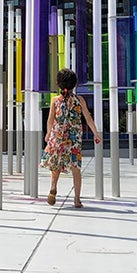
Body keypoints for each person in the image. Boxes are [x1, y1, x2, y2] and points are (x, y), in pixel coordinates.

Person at [40, 68, 101, 208]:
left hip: (58, 136)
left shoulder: (55, 100)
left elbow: (50, 120)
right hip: (73, 139)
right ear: (75, 84)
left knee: (55, 164)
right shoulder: (79, 100)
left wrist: (48, 133)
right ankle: (77, 199)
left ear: (59, 84)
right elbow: (88, 118)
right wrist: (95, 134)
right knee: (75, 168)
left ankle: (53, 187)